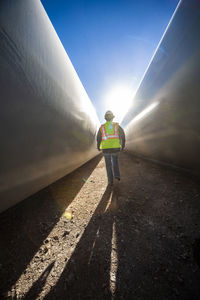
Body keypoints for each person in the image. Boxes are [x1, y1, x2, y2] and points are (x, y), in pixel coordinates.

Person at [97, 110, 125, 185]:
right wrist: (123, 144)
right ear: (112, 118)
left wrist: (98, 146)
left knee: (108, 165)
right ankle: (117, 175)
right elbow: (122, 135)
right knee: (115, 162)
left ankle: (110, 181)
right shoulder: (116, 125)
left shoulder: (102, 127)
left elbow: (98, 138)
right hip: (115, 148)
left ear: (105, 118)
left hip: (106, 149)